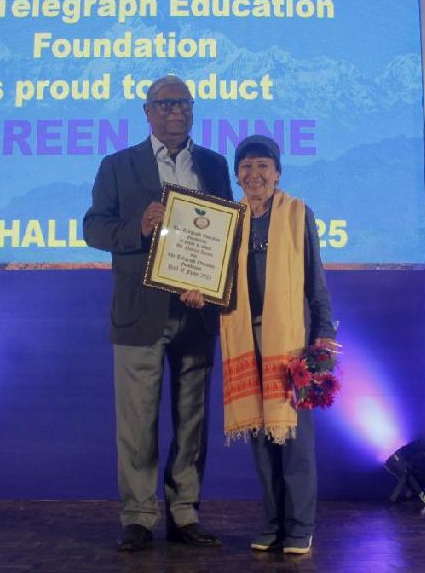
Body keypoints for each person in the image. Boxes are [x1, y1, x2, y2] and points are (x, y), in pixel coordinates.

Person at [83, 75, 232, 551]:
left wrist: (211, 285)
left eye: (184, 104)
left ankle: (185, 511)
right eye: (165, 104)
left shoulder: (214, 164)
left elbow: (223, 236)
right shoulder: (118, 165)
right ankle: (140, 515)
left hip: (196, 312)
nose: (175, 112)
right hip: (139, 313)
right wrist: (138, 226)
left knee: (193, 420)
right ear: (146, 112)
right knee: (137, 421)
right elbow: (93, 228)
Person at [215, 134, 336, 555]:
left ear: (278, 173)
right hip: (247, 339)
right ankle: (273, 524)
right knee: (262, 441)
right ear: (237, 175)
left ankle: (300, 526)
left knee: (295, 442)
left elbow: (315, 280)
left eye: (263, 166)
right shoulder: (228, 221)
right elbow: (217, 282)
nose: (254, 174)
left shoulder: (298, 215)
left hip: (291, 344)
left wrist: (324, 333)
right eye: (246, 167)